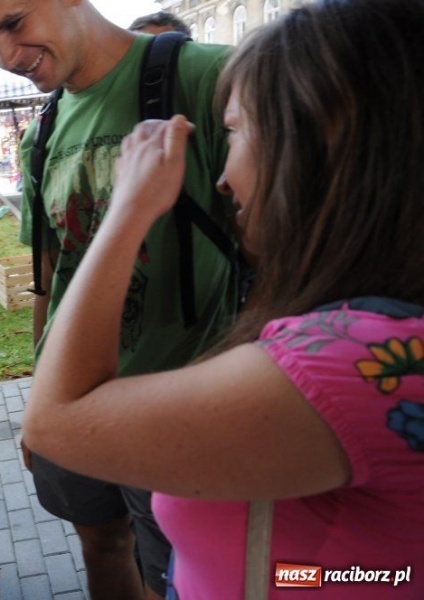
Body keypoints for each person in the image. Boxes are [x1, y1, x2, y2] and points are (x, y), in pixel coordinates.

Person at [24, 0, 424, 598]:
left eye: (233, 132)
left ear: (311, 146)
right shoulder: (372, 329)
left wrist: (129, 207)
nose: (222, 175)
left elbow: (55, 421)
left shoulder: (345, 366)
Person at [0, 1, 237, 598]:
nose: (5, 56)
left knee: (177, 572)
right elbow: (49, 277)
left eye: (14, 24)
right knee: (101, 542)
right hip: (75, 401)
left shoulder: (210, 78)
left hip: (180, 409)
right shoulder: (42, 132)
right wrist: (40, 399)